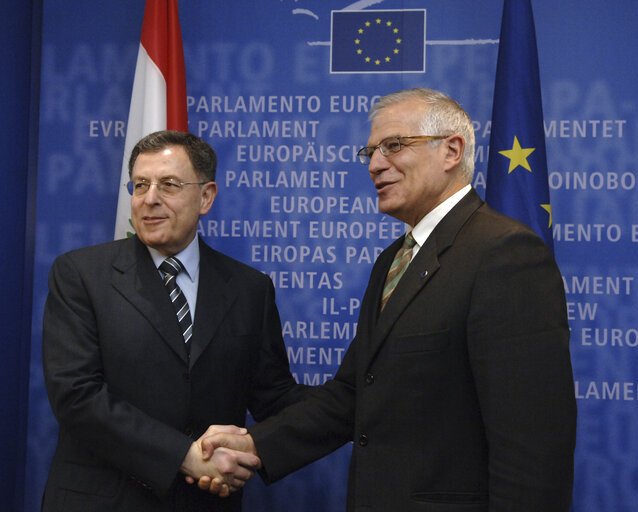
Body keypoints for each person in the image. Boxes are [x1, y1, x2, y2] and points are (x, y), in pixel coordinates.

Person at [198, 88, 577, 510]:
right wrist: (254, 443)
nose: (376, 164)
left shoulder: (505, 255)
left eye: (394, 146)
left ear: (451, 151)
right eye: (371, 151)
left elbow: (534, 446)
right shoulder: (393, 261)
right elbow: (353, 395)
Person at [41, 130, 306, 511]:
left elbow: (274, 396)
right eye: (140, 185)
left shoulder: (250, 289)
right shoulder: (81, 274)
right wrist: (185, 454)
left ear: (206, 196)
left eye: (168, 185)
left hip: (204, 502)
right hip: (103, 500)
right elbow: (77, 395)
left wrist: (357, 406)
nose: (149, 199)